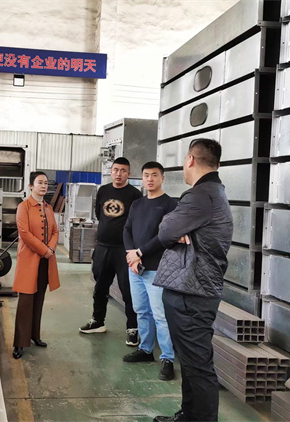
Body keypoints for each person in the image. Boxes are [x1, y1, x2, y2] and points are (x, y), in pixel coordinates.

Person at [152, 139, 233, 422]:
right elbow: (173, 229)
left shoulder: (200, 195)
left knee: (197, 365)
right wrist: (178, 228)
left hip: (192, 293)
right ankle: (189, 415)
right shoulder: (213, 193)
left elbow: (165, 231)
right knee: (190, 361)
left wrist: (175, 226)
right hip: (193, 289)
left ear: (190, 160)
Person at [79, 157, 143, 347]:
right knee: (100, 287)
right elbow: (100, 214)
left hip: (124, 250)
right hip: (103, 247)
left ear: (128, 173)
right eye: (115, 170)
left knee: (128, 291)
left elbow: (137, 222)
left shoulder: (135, 194)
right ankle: (98, 321)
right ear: (111, 171)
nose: (118, 174)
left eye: (123, 170)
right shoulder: (103, 190)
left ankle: (132, 328)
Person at [122, 161, 177, 381]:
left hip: (156, 269)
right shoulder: (137, 204)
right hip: (135, 268)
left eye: (154, 175)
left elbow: (164, 237)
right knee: (141, 311)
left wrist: (139, 253)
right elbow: (127, 229)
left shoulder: (170, 205)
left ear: (162, 178)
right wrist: (131, 254)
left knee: (160, 315)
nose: (150, 179)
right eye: (146, 175)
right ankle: (145, 350)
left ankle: (168, 358)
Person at [12, 171, 60, 360]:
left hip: (45, 261)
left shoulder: (48, 208)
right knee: (26, 301)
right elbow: (24, 233)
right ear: (31, 185)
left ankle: (34, 335)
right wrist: (44, 250)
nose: (44, 186)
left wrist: (51, 249)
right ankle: (19, 342)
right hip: (29, 260)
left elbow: (55, 231)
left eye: (46, 183)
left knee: (39, 299)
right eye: (40, 182)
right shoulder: (23, 207)